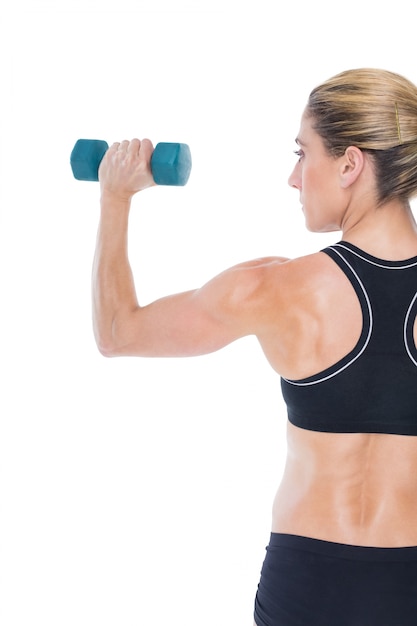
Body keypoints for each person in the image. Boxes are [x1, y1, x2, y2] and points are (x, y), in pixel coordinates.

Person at [92, 68, 417, 625]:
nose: (294, 178)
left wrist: (115, 199)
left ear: (350, 163)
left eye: (302, 151)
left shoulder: (275, 289)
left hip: (307, 585)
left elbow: (119, 332)